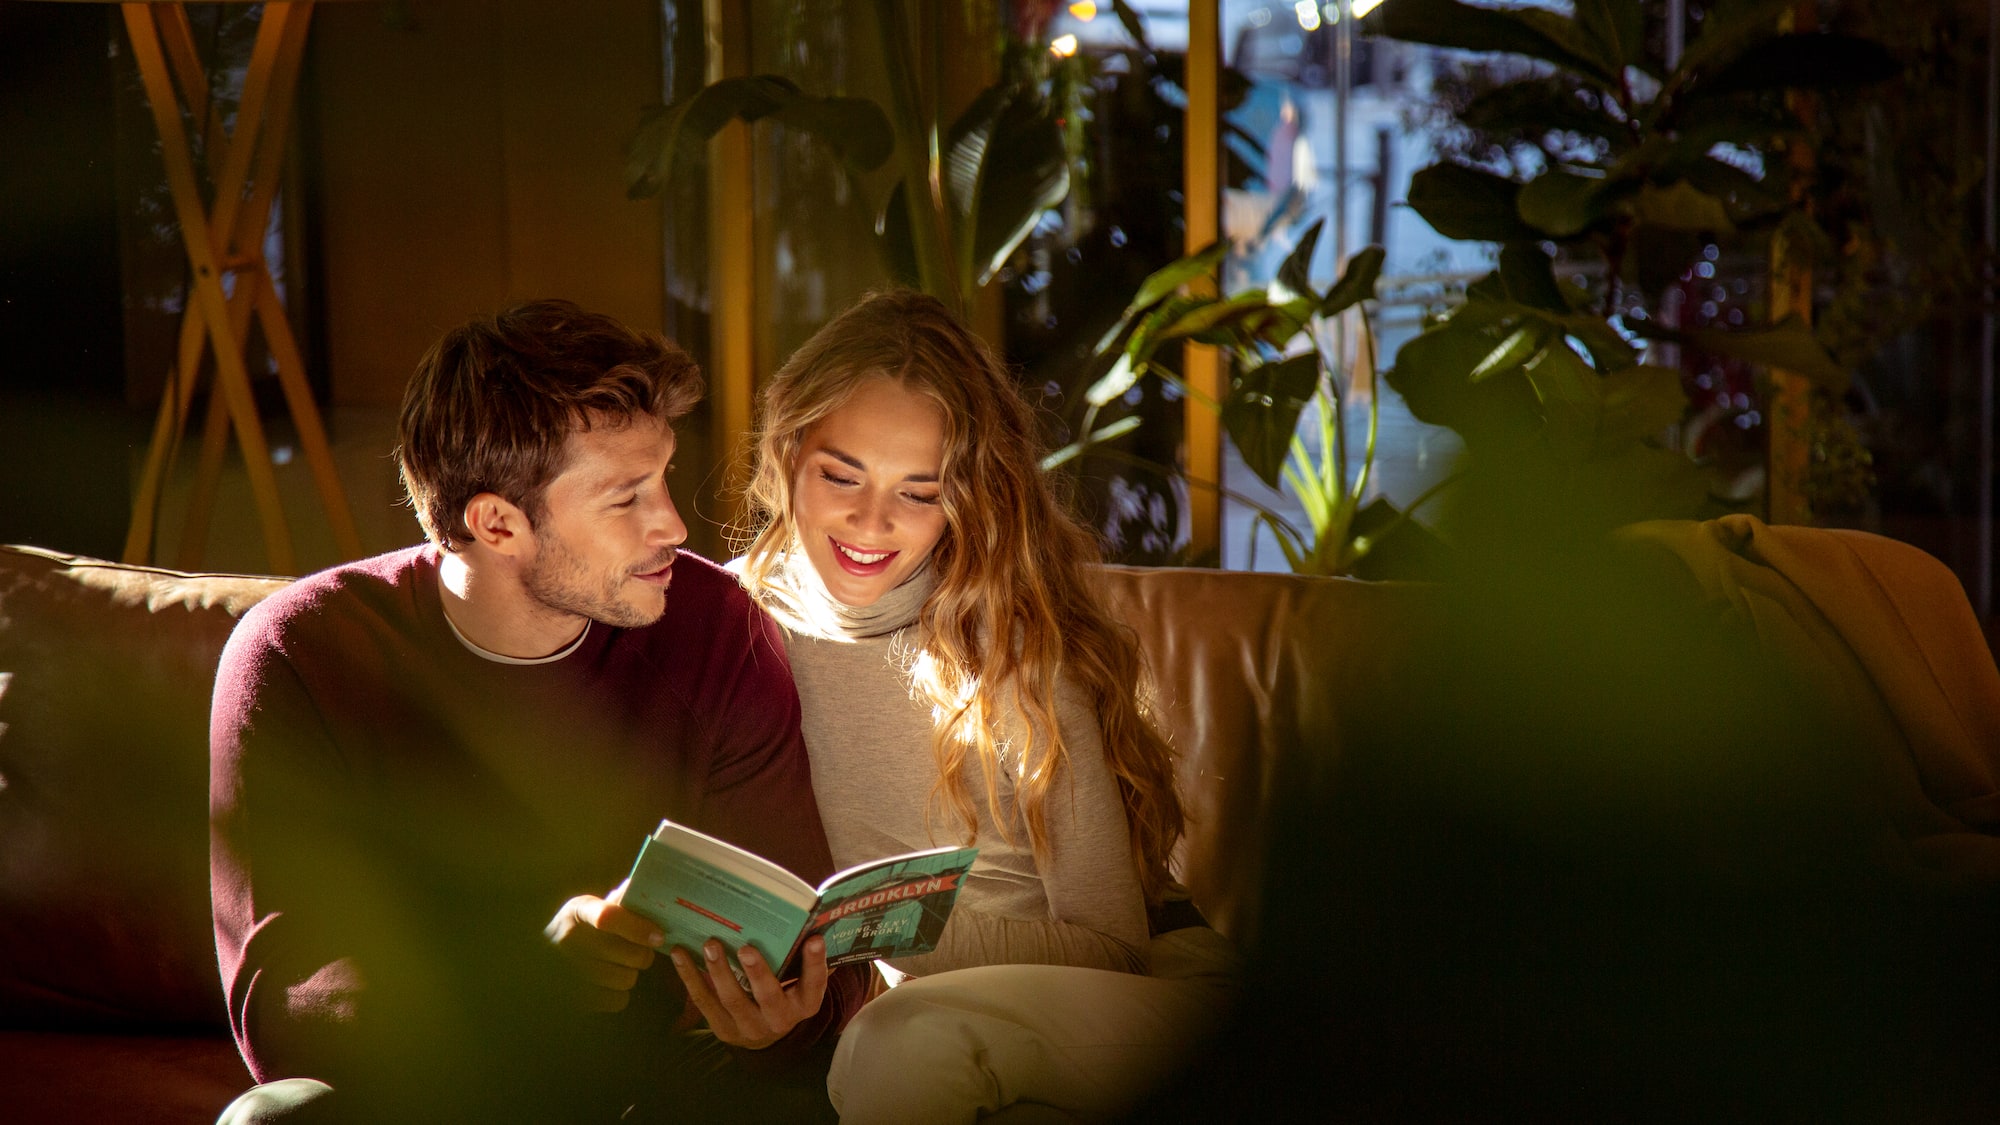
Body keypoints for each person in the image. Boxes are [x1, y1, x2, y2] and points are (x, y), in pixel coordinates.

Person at [208, 300, 866, 1123]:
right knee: (274, 1116)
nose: (672, 523)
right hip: (433, 1088)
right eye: (626, 497)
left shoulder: (718, 627)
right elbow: (287, 1002)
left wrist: (782, 1023)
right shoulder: (298, 653)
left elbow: (809, 940)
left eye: (661, 478)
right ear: (496, 522)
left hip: (654, 1088)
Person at [733, 290, 1240, 1123]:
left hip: (1151, 997)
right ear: (787, 454)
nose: (872, 519)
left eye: (919, 492)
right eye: (840, 475)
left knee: (897, 1046)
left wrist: (878, 932)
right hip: (949, 1029)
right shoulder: (740, 623)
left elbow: (1116, 948)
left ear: (963, 498)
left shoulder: (1008, 645)